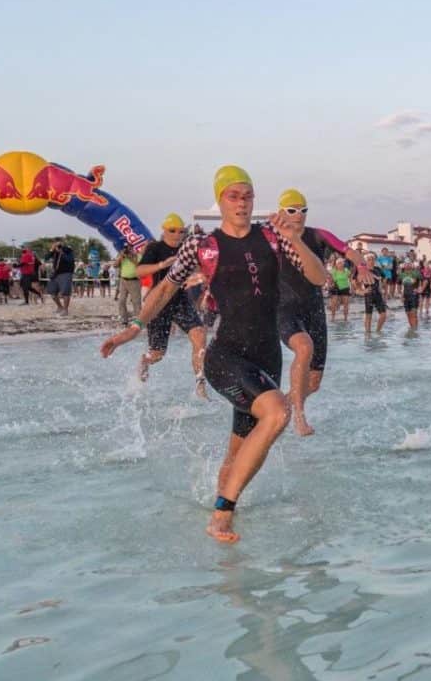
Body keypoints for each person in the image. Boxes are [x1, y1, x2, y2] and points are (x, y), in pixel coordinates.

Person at [101, 164, 328, 543]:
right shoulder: (202, 245)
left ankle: (219, 542)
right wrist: (134, 328)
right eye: (233, 196)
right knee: (277, 412)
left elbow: (318, 278)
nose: (241, 203)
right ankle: (222, 515)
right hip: (225, 357)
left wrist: (297, 239)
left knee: (237, 452)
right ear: (220, 199)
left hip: (266, 360)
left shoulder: (274, 236)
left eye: (248, 195)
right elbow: (165, 290)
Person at [273, 188, 366, 436]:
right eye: (292, 210)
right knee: (304, 348)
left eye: (303, 210)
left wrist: (363, 267)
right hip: (284, 308)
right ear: (281, 212)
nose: (298, 215)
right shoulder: (272, 238)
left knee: (313, 383)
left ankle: (279, 407)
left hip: (314, 309)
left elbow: (349, 251)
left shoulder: (319, 235)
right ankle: (299, 419)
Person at [134, 214, 208, 385]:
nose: (177, 234)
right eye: (172, 230)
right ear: (164, 230)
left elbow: (200, 267)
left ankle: (200, 381)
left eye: (181, 231)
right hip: (159, 302)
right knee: (157, 355)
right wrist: (161, 265)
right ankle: (145, 360)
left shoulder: (186, 248)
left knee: (200, 335)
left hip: (180, 300)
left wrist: (200, 276)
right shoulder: (155, 248)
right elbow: (139, 271)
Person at [357, 251, 388, 333]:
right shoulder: (363, 270)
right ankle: (368, 333)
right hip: (369, 294)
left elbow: (384, 277)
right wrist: (362, 290)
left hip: (378, 294)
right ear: (366, 261)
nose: (371, 261)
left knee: (383, 315)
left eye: (373, 259)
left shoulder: (377, 269)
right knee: (368, 315)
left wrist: (383, 287)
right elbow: (355, 281)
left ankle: (378, 331)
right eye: (369, 259)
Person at [46, 241, 76, 315]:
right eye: (55, 244)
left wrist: (61, 252)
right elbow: (46, 258)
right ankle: (60, 307)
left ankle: (65, 310)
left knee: (65, 293)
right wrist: (51, 250)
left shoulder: (68, 251)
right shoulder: (54, 251)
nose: (57, 246)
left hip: (66, 273)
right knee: (52, 292)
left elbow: (69, 260)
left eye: (58, 244)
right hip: (55, 274)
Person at [399, 258, 423, 329]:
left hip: (414, 295)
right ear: (404, 265)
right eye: (406, 264)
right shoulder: (402, 274)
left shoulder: (416, 273)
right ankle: (412, 328)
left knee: (414, 314)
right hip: (405, 296)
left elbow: (425, 281)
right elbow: (399, 285)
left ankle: (415, 330)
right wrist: (401, 295)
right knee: (408, 314)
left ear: (411, 265)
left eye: (409, 263)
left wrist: (420, 289)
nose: (407, 265)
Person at [328, 256, 353, 322]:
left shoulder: (346, 270)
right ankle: (333, 318)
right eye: (339, 263)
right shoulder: (334, 271)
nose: (341, 264)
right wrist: (330, 285)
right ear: (336, 264)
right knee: (334, 303)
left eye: (342, 263)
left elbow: (350, 280)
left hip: (345, 288)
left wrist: (352, 288)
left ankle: (345, 318)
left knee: (346, 304)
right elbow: (330, 280)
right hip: (336, 288)